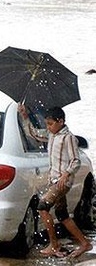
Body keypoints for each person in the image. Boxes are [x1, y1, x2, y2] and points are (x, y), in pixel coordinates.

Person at [19, 104, 93, 259]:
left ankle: (54, 244)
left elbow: (76, 160)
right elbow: (34, 134)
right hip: (54, 180)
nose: (49, 127)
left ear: (61, 121)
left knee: (42, 206)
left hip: (62, 182)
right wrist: (25, 116)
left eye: (51, 124)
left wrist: (66, 174)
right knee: (62, 215)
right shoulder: (52, 135)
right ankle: (84, 243)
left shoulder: (69, 138)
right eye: (47, 124)